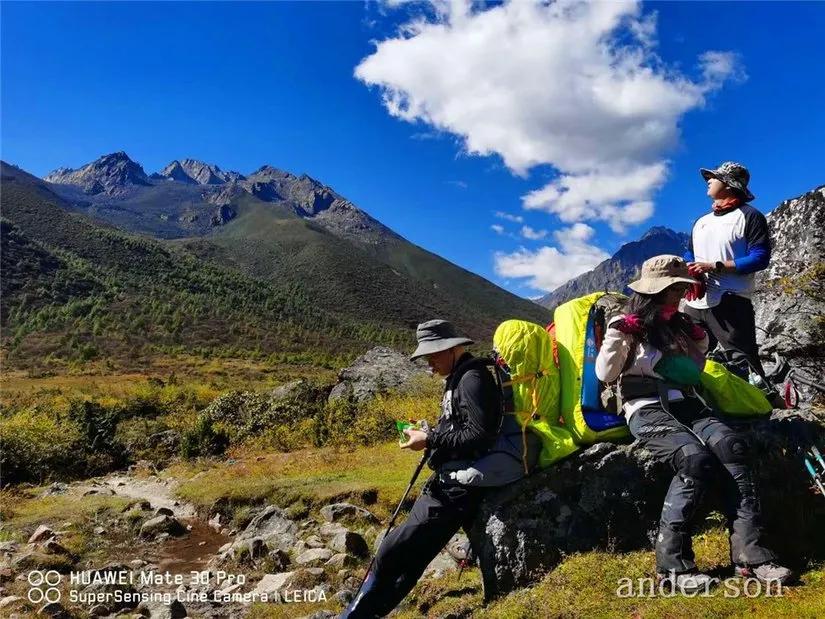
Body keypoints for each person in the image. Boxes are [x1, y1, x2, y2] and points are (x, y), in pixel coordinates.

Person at [596, 255, 791, 593]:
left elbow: (698, 362)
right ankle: (672, 567)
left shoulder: (677, 322)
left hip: (687, 401)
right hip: (643, 406)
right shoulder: (626, 325)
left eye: (679, 288)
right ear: (654, 293)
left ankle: (752, 555)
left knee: (731, 446)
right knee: (693, 459)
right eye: (672, 289)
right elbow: (605, 374)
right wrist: (619, 334)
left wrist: (695, 333)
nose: (677, 295)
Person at [341, 319, 505, 618]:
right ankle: (366, 611)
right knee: (409, 555)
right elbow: (461, 426)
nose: (429, 364)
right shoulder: (458, 377)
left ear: (451, 349)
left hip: (458, 489)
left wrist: (430, 438)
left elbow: (481, 434)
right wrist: (431, 431)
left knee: (393, 550)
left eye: (433, 356)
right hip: (450, 481)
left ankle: (356, 614)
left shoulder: (472, 379)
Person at [682, 161, 772, 380]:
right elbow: (689, 253)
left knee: (743, 359)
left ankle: (762, 406)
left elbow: (759, 258)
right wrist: (691, 269)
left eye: (714, 178)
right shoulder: (701, 222)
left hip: (731, 299)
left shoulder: (750, 216)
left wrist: (715, 265)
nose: (709, 181)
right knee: (688, 354)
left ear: (729, 185)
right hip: (695, 302)